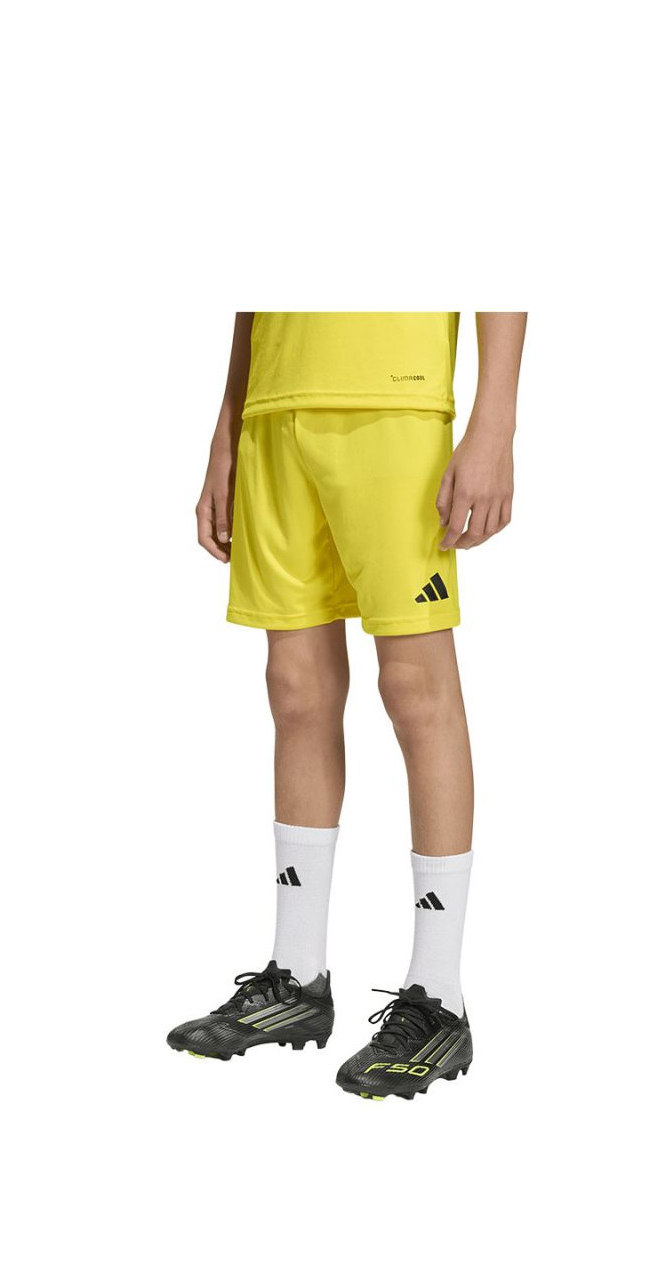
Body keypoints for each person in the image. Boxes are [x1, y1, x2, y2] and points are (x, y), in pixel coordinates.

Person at [167, 312, 527, 1100]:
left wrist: (494, 421)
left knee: (414, 688)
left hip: (394, 401)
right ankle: (297, 977)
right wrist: (228, 426)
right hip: (275, 407)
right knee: (295, 687)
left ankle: (438, 997)